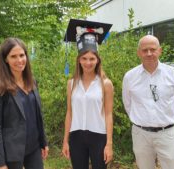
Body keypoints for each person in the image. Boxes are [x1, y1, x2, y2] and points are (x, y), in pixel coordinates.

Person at [122, 35, 174, 169]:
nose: (149, 53)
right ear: (139, 53)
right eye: (145, 50)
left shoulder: (173, 74)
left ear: (159, 51)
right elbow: (128, 104)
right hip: (140, 134)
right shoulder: (130, 76)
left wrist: (165, 119)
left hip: (166, 133)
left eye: (152, 49)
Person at [0, 37, 49, 169]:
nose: (19, 60)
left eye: (22, 55)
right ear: (6, 59)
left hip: (34, 148)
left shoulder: (32, 81)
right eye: (13, 56)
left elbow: (37, 114)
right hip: (11, 151)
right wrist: (0, 162)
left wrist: (43, 142)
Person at [62, 19, 114, 169]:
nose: (88, 62)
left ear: (98, 60)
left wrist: (109, 144)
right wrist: (66, 141)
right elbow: (69, 113)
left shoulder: (106, 84)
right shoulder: (71, 84)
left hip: (99, 137)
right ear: (79, 60)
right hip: (76, 136)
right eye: (84, 58)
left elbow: (109, 114)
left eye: (92, 58)